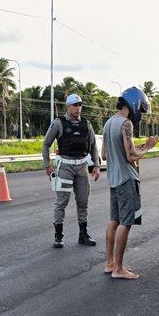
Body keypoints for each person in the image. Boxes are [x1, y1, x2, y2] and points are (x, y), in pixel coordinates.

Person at [101, 87, 159, 279]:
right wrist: (149, 146)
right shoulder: (126, 123)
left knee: (114, 221)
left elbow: (104, 155)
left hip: (114, 179)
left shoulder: (109, 123)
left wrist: (141, 146)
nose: (139, 113)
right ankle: (118, 269)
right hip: (126, 179)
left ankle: (109, 264)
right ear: (134, 104)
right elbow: (131, 156)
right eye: (140, 109)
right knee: (126, 223)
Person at [42, 93, 100, 248]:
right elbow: (46, 144)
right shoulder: (59, 123)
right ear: (67, 106)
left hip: (82, 167)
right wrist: (47, 165)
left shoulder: (86, 124)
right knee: (62, 202)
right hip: (65, 167)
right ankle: (58, 235)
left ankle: (83, 234)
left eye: (80, 105)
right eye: (75, 105)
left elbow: (94, 146)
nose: (78, 108)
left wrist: (96, 165)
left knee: (83, 202)